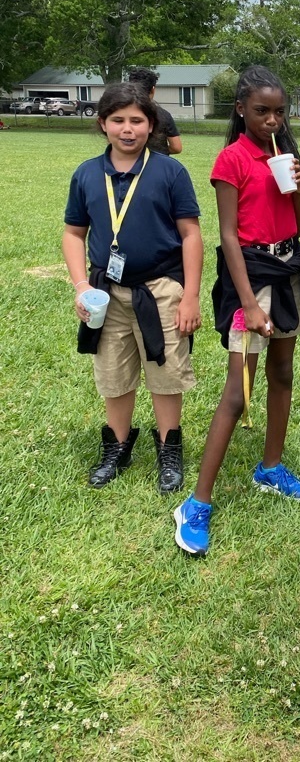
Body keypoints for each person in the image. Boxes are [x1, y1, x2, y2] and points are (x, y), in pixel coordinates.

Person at [174, 66, 300, 556]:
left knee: (282, 373)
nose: (272, 119)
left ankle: (271, 467)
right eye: (262, 110)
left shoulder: (284, 156)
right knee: (237, 391)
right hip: (252, 277)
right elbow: (226, 236)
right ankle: (196, 503)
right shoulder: (232, 159)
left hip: (289, 268)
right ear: (241, 109)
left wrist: (299, 192)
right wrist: (245, 301)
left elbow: (296, 224)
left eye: (279, 112)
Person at [62, 82, 203, 492]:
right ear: (103, 123)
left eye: (137, 121)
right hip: (105, 293)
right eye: (118, 120)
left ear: (151, 124)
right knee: (113, 373)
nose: (128, 129)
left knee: (166, 372)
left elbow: (191, 234)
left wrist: (190, 295)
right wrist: (80, 286)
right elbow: (74, 234)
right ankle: (117, 446)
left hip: (160, 289)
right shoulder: (87, 174)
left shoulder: (169, 171)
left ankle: (168, 448)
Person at [128, 68, 183, 155]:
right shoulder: (164, 115)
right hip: (158, 165)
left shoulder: (121, 113)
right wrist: (160, 152)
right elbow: (176, 147)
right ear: (153, 89)